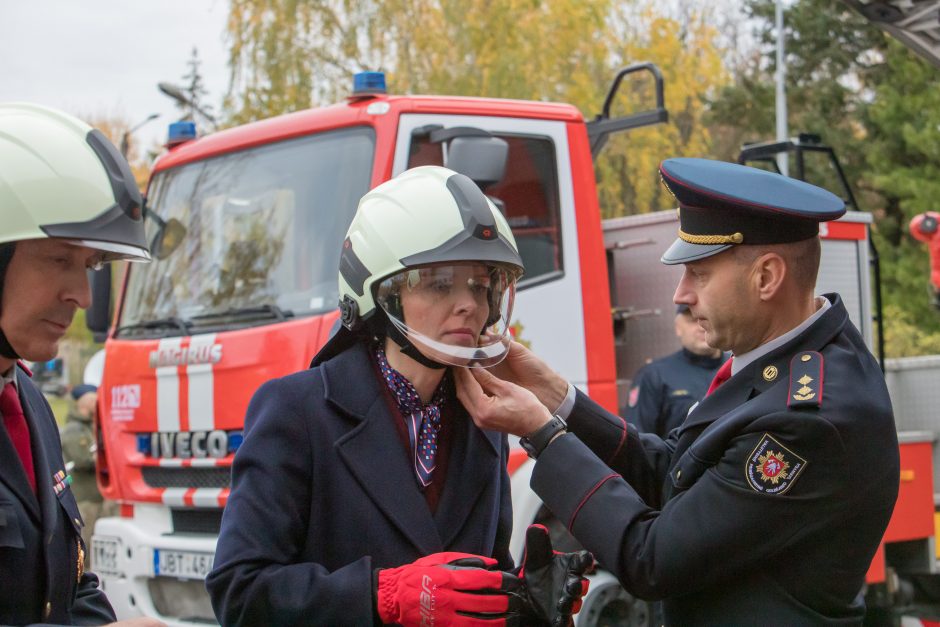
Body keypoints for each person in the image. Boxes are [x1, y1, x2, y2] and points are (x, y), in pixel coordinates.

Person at [456, 158, 900, 624]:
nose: (680, 295)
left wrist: (545, 435)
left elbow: (654, 559)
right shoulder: (788, 361)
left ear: (766, 277)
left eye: (700, 273)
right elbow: (675, 475)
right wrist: (556, 395)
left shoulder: (809, 416)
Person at [206, 166, 591, 626]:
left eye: (480, 284)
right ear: (381, 295)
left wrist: (523, 601)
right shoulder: (296, 411)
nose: (470, 302)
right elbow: (239, 592)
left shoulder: (482, 420)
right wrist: (379, 596)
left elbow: (471, 584)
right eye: (441, 282)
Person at [0, 102, 164, 625]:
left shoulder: (27, 402)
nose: (82, 295)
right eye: (58, 259)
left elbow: (67, 587)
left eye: (90, 267)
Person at [623, 303, 728, 437]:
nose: (701, 327)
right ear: (678, 328)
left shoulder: (738, 367)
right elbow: (639, 442)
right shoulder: (654, 375)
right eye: (693, 320)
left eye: (707, 318)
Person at [61, 383, 109, 569]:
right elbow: (82, 460)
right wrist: (104, 457)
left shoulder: (89, 426)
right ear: (85, 402)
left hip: (96, 496)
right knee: (85, 544)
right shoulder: (75, 430)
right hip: (85, 499)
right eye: (94, 400)